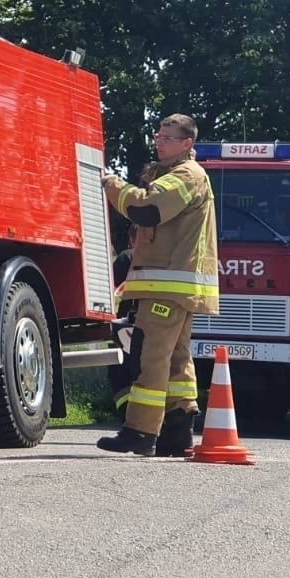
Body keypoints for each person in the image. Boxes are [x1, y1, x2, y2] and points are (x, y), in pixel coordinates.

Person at [97, 113, 220, 457]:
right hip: (177, 287)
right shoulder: (180, 174)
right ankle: (178, 432)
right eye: (158, 135)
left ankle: (140, 431)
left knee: (149, 356)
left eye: (168, 138)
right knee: (177, 360)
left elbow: (147, 209)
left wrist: (110, 184)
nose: (159, 142)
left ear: (187, 143)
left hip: (168, 285)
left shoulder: (186, 175)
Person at [106, 160, 172, 421]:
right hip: (159, 318)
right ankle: (158, 418)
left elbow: (113, 291)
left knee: (122, 370)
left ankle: (130, 417)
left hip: (130, 323)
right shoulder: (165, 255)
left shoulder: (127, 257)